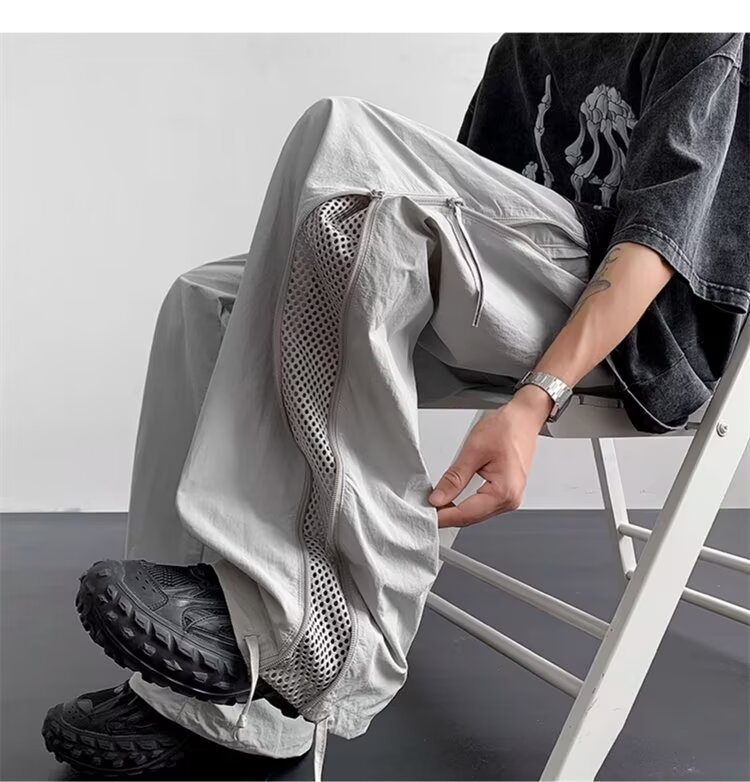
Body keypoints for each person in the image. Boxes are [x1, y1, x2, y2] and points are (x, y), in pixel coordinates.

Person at [43, 33, 747, 779]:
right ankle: (216, 703)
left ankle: (319, 622)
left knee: (341, 136)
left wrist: (535, 399)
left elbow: (656, 244)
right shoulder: (528, 42)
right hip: (518, 288)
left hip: (638, 332)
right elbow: (467, 200)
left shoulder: (705, 35)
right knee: (206, 299)